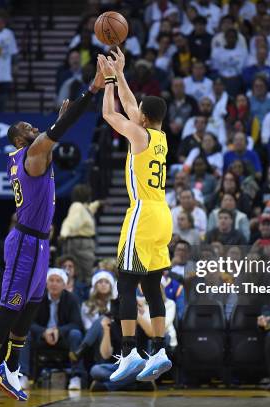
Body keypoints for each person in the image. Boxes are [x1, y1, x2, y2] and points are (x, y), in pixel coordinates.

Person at [0, 62, 105, 407]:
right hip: (24, 241)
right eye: (27, 127)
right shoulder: (33, 154)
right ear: (20, 139)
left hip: (39, 241)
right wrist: (93, 89)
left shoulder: (35, 153)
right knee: (10, 308)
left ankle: (8, 367)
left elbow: (56, 133)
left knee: (33, 303)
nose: (33, 127)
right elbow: (59, 132)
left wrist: (59, 121)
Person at [99, 48, 173, 382]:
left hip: (142, 214)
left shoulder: (138, 134)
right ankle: (158, 349)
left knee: (126, 285)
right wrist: (122, 73)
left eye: (139, 111)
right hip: (162, 216)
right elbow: (131, 106)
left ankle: (129, 352)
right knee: (153, 286)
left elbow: (112, 115)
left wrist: (109, 83)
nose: (135, 111)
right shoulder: (158, 137)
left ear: (142, 118)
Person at [29, 268, 85, 390]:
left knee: (76, 334)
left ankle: (76, 377)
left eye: (58, 281)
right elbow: (29, 322)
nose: (54, 283)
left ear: (64, 284)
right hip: (42, 337)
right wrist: (43, 332)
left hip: (63, 337)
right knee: (24, 334)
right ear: (46, 283)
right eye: (51, 280)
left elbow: (76, 324)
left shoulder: (72, 299)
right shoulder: (37, 298)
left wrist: (59, 331)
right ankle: (22, 375)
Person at [59, 184, 101, 282]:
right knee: (85, 273)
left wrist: (99, 203)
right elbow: (70, 222)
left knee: (85, 272)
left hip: (82, 243)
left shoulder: (83, 207)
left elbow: (90, 209)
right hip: (80, 244)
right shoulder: (77, 207)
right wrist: (63, 234)